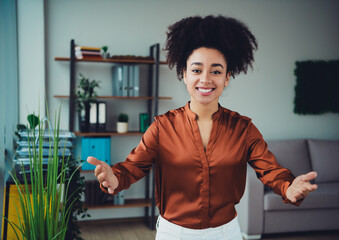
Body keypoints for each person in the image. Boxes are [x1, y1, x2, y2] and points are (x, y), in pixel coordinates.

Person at [87, 15, 318, 240]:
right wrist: (115, 179)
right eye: (196, 70)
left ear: (227, 77)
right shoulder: (162, 127)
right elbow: (133, 167)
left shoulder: (244, 129)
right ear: (184, 74)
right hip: (173, 234)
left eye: (216, 71)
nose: (205, 79)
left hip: (227, 233)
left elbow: (270, 171)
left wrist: (288, 188)